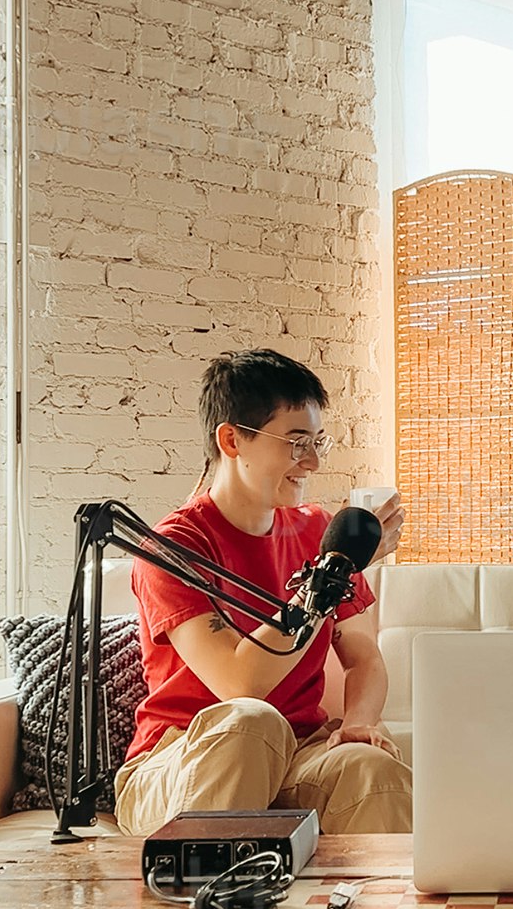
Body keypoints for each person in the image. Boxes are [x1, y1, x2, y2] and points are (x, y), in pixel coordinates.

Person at [111, 348, 407, 841]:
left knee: (369, 771)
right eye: (295, 443)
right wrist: (328, 577)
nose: (311, 462)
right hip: (184, 759)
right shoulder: (174, 547)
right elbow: (240, 683)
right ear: (232, 440)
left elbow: (363, 656)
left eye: (317, 442)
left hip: (296, 753)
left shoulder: (318, 534)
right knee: (252, 724)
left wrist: (359, 722)